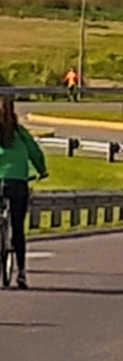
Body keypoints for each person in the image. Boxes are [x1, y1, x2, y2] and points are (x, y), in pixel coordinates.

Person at [0, 96, 47, 290]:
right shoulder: (20, 132)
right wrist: (42, 170)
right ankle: (20, 273)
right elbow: (35, 152)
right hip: (18, 183)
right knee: (18, 228)